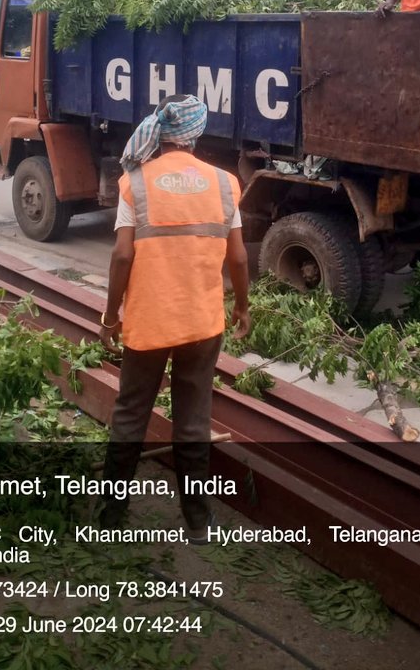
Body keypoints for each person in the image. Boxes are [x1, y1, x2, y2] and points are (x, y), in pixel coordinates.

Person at [98, 93, 251, 539]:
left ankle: (111, 516)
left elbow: (122, 255)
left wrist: (110, 317)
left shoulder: (136, 183)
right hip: (202, 324)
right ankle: (198, 520)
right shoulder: (224, 184)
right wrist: (241, 306)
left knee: (130, 415)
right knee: (192, 418)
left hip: (148, 322)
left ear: (162, 133)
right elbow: (238, 258)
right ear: (196, 133)